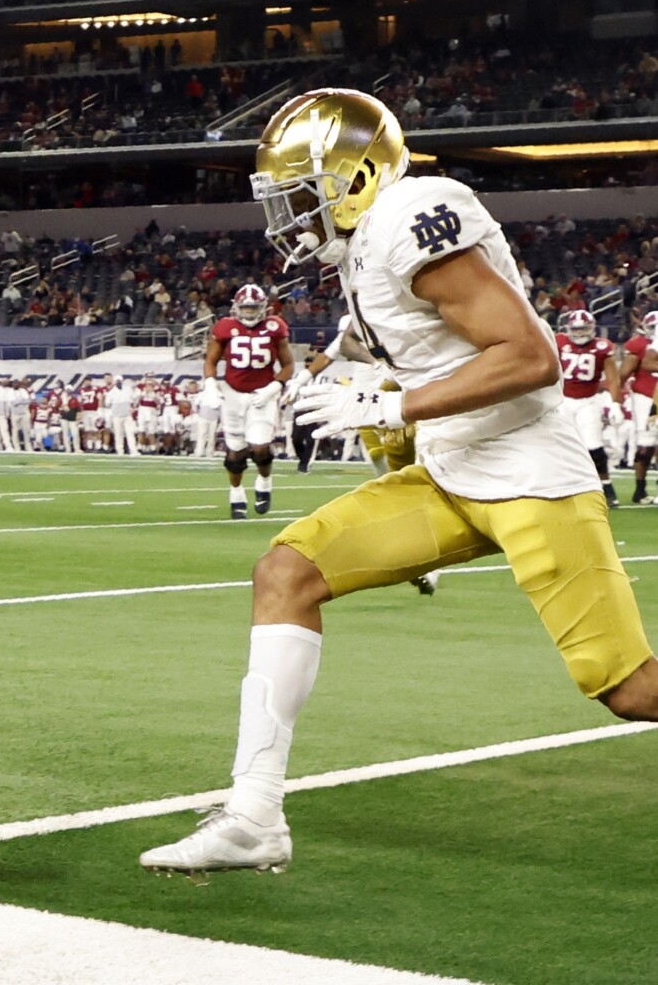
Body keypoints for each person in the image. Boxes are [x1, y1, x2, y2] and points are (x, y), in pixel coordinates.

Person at [139, 89, 658, 881]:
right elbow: (392, 339)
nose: (290, 216)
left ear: (353, 178)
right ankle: (253, 816)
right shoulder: (365, 246)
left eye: (300, 194)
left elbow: (528, 355)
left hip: (528, 471)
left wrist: (389, 402)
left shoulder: (411, 214)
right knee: (287, 571)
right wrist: (338, 386)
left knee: (627, 689)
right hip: (453, 471)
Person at [203, 283, 292, 518]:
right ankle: (236, 492)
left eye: (254, 308)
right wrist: (210, 384)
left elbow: (288, 365)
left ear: (263, 307)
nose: (249, 313)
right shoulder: (224, 327)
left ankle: (264, 481)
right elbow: (210, 360)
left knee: (261, 447)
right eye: (246, 308)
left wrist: (274, 387)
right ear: (236, 307)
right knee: (235, 452)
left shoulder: (275, 327)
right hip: (232, 394)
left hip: (262, 394)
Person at [555, 310, 622, 508]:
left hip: (589, 401)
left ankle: (606, 486)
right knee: (561, 446)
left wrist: (616, 402)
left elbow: (613, 378)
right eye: (576, 328)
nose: (580, 332)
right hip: (563, 401)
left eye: (584, 328)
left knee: (594, 446)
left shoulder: (602, 347)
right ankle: (563, 487)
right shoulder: (559, 342)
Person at [618, 311, 658, 503]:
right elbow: (624, 372)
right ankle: (640, 489)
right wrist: (615, 397)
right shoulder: (640, 345)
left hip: (650, 396)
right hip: (645, 398)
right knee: (646, 442)